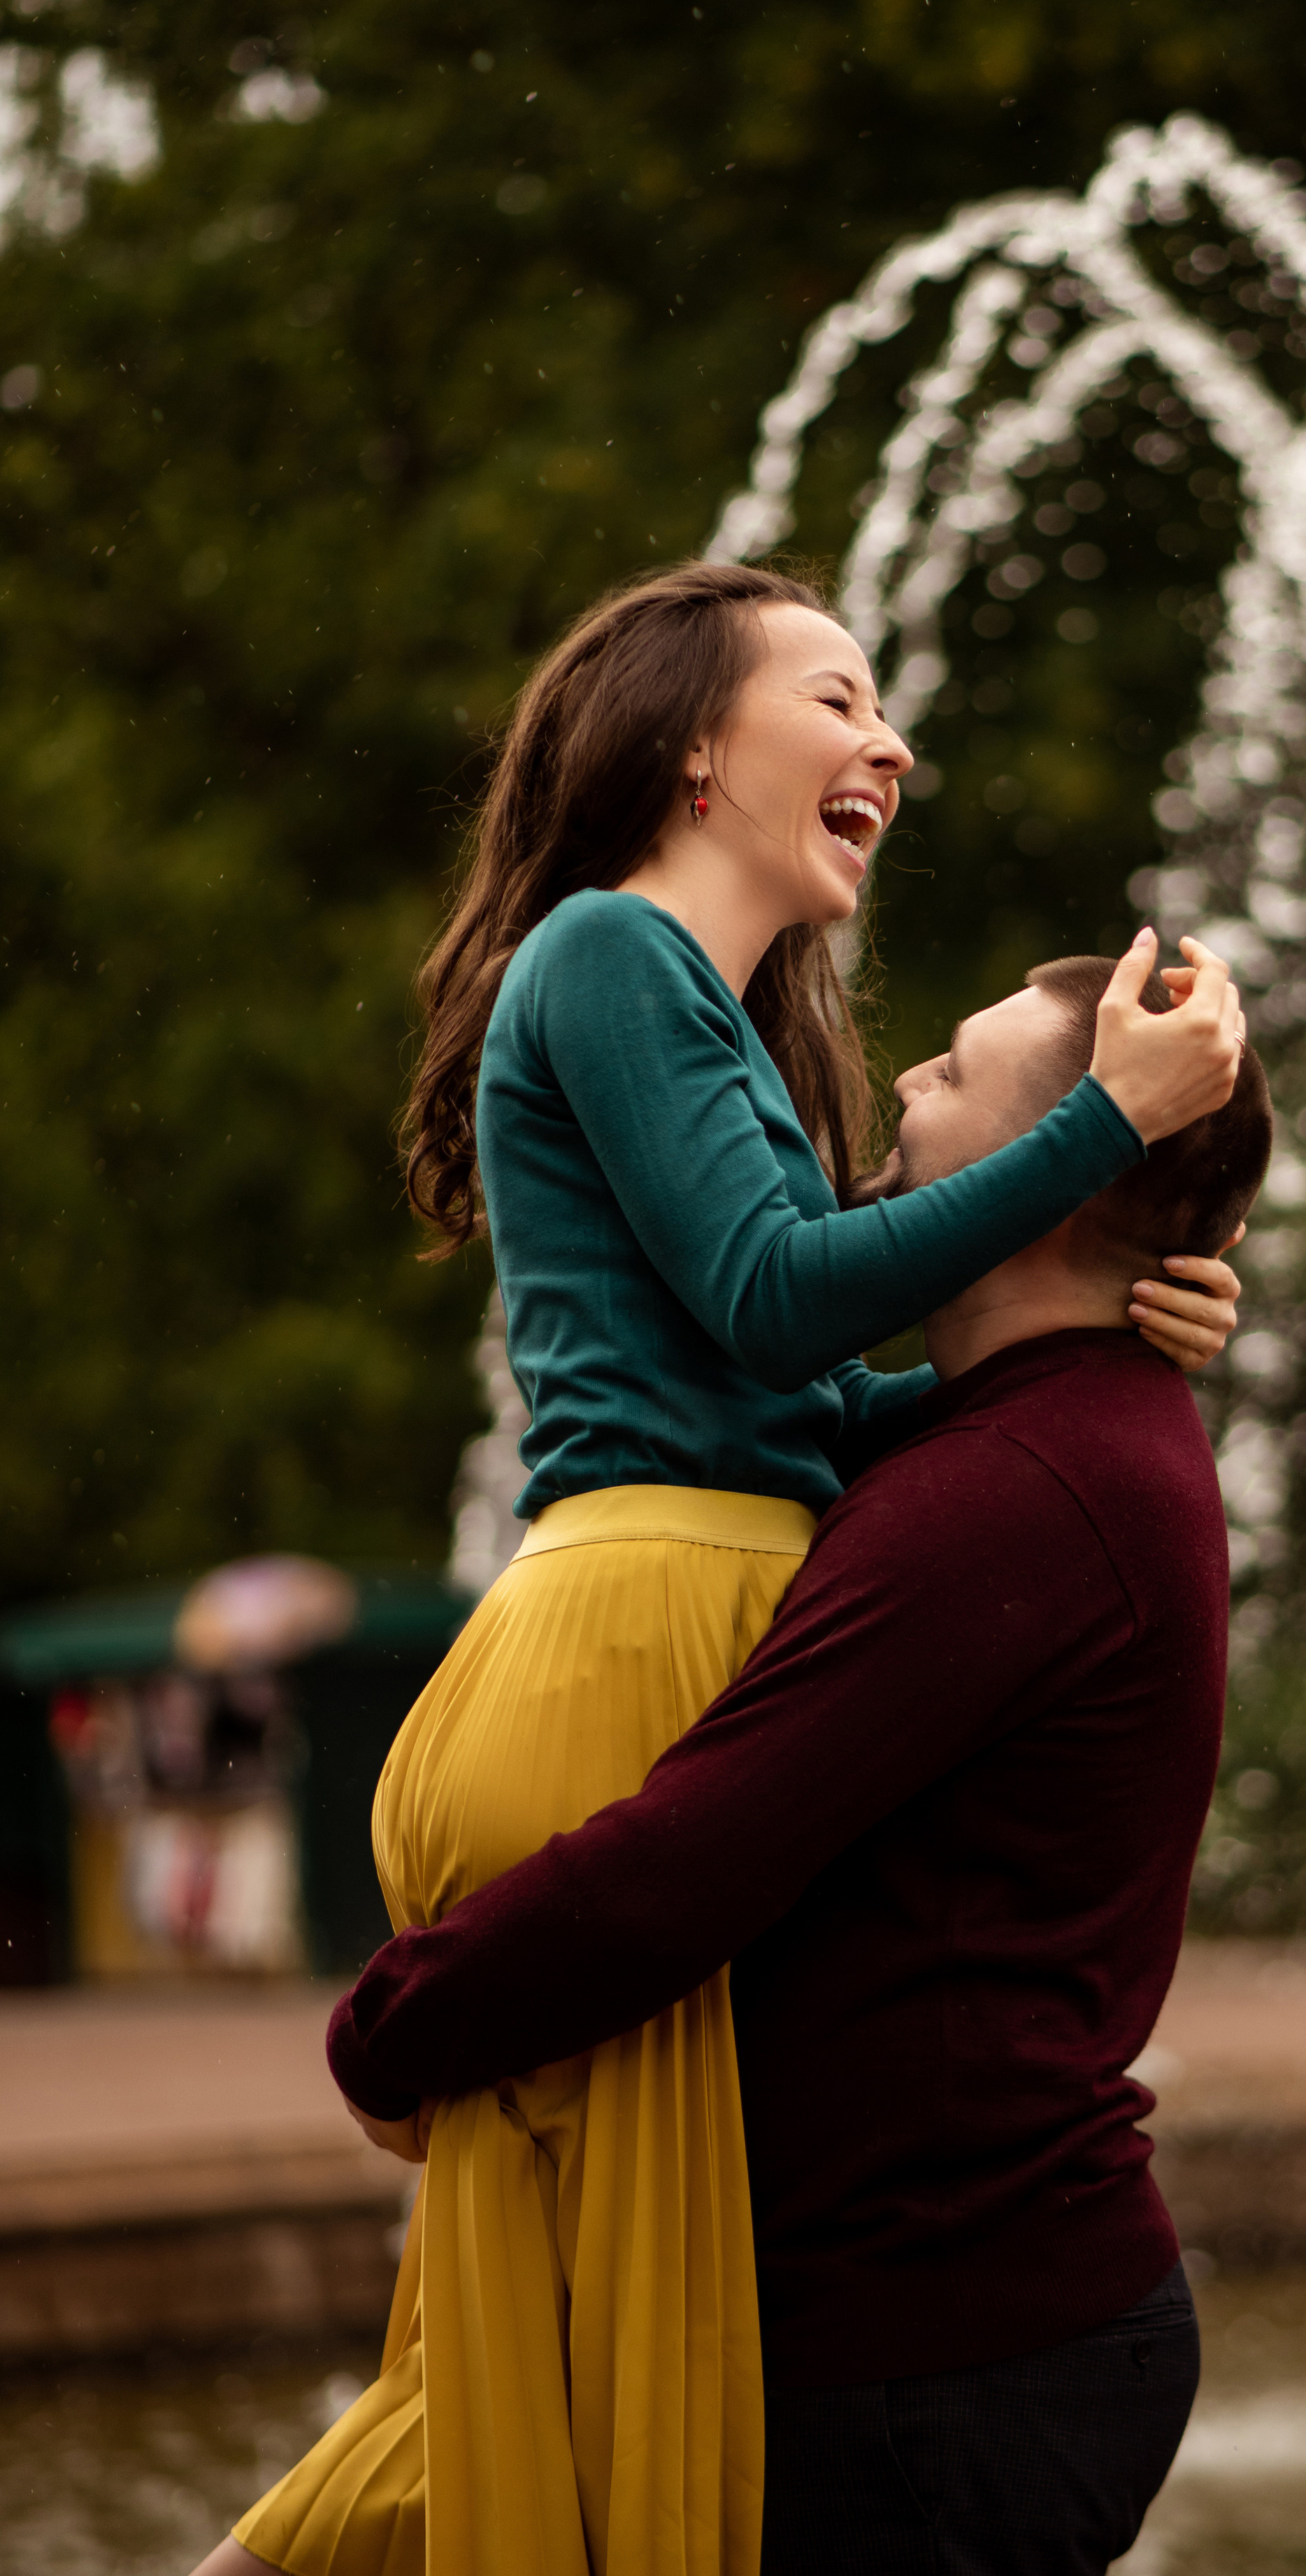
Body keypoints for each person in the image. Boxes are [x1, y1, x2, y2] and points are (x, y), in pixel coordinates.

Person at [197, 561, 1244, 2576]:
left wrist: (1089, 1340)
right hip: (634, 1626)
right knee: (590, 2341)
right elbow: (781, 1305)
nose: (892, 742)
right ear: (691, 740)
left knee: (561, 2328)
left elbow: (791, 1411)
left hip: (682, 1582)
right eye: (839, 698)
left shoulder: (718, 1018)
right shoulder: (606, 953)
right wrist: (1100, 1121)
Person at [327, 951, 1273, 2576]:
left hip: (945, 2350)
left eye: (955, 1075)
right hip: (951, 2318)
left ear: (1053, 1179)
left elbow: (692, 1857)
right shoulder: (1041, 1435)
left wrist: (398, 2020)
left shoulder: (1018, 1490)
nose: (904, 1085)